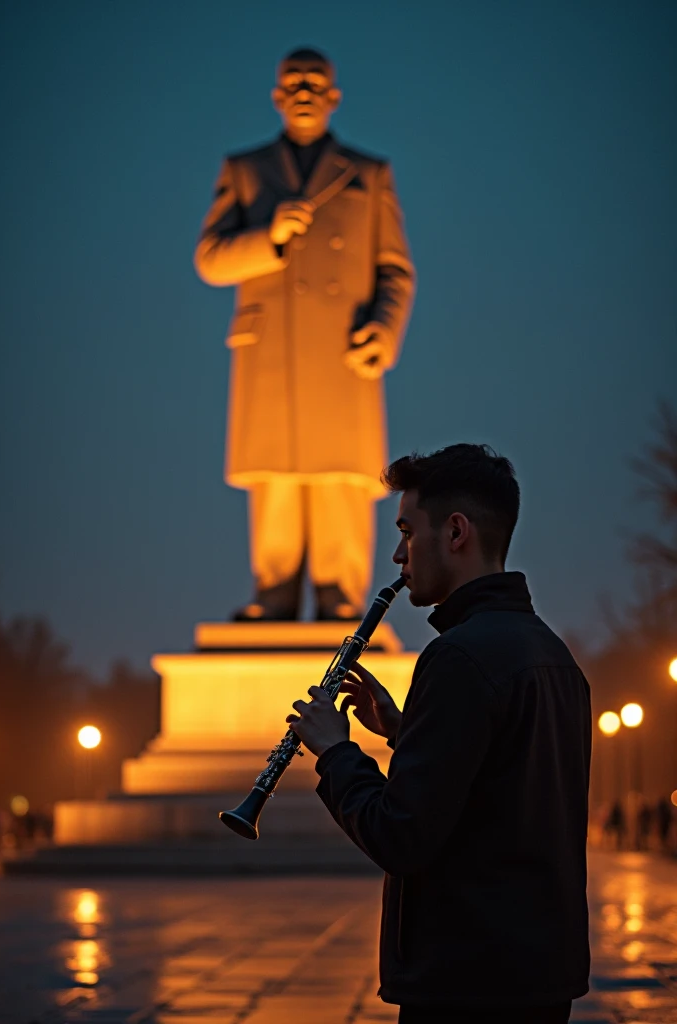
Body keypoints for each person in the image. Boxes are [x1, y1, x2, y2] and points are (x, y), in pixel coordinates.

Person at [287, 444, 591, 1023]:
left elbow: (399, 837)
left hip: (465, 986)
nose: (398, 555)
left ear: (455, 532)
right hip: (538, 982)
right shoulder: (553, 655)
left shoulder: (457, 658)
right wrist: (406, 731)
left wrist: (335, 751)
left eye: (407, 531)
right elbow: (501, 789)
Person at [194, 47, 415, 621]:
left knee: (339, 476)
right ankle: (273, 596)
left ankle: (341, 597)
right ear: (276, 95)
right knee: (277, 476)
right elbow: (212, 259)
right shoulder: (244, 170)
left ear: (334, 96)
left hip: (342, 352)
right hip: (271, 353)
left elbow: (395, 269)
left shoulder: (368, 173)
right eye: (293, 82)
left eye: (315, 82)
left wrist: (383, 331)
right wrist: (269, 237)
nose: (304, 91)